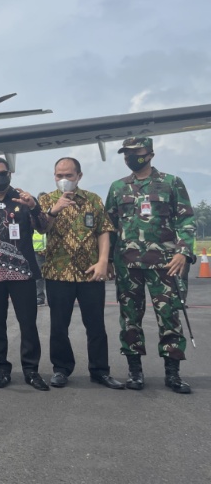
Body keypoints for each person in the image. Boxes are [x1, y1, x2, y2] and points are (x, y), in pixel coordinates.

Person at [106, 137, 195, 393]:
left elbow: (185, 219)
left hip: (166, 264)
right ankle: (135, 372)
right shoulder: (117, 187)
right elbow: (109, 227)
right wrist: (110, 260)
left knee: (169, 317)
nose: (131, 157)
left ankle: (173, 374)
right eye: (126, 153)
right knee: (130, 319)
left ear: (150, 154)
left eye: (136, 152)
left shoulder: (170, 182)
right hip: (127, 265)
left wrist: (183, 252)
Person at [39, 157, 123, 390]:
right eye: (59, 175)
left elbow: (104, 231)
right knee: (59, 326)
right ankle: (61, 369)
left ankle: (100, 371)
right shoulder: (46, 200)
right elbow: (41, 228)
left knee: (96, 325)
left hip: (90, 273)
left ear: (79, 176)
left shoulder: (93, 200)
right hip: (58, 273)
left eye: (69, 175)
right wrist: (54, 211)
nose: (64, 180)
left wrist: (103, 261)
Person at [0, 157, 49, 391]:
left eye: (2, 173)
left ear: (10, 174)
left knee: (28, 324)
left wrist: (34, 206)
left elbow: (43, 227)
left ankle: (31, 370)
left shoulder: (25, 201)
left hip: (23, 274)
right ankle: (2, 368)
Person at [32, 226, 47, 306]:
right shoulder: (35, 215)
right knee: (39, 276)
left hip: (51, 249)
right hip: (37, 249)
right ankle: (40, 297)